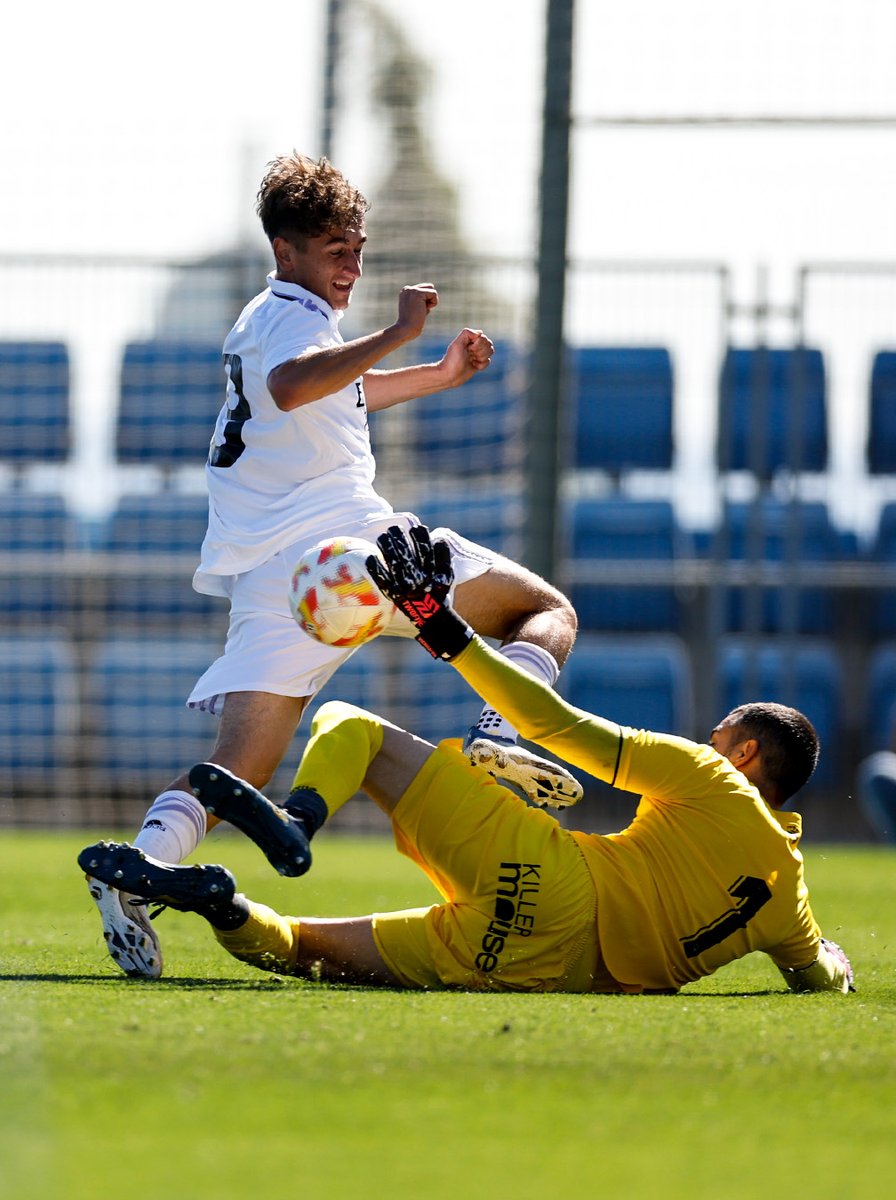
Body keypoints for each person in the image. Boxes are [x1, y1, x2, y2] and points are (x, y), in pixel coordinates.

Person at [86, 154, 580, 981]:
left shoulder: (272, 316)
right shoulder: (292, 322)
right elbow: (292, 385)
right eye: (332, 249)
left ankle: (135, 870)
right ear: (286, 252)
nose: (350, 265)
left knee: (237, 762)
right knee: (545, 611)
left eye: (356, 246)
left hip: (273, 579)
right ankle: (498, 734)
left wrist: (435, 374)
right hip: (350, 552)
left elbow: (329, 394)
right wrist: (397, 334)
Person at [79, 526, 855, 996]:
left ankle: (298, 820)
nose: (708, 738)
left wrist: (437, 623)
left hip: (549, 874)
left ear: (746, 752)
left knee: (355, 724)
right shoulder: (788, 899)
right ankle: (221, 904)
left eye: (720, 733)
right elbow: (815, 972)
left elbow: (549, 721)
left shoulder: (712, 780)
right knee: (301, 951)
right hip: (531, 967)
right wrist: (834, 962)